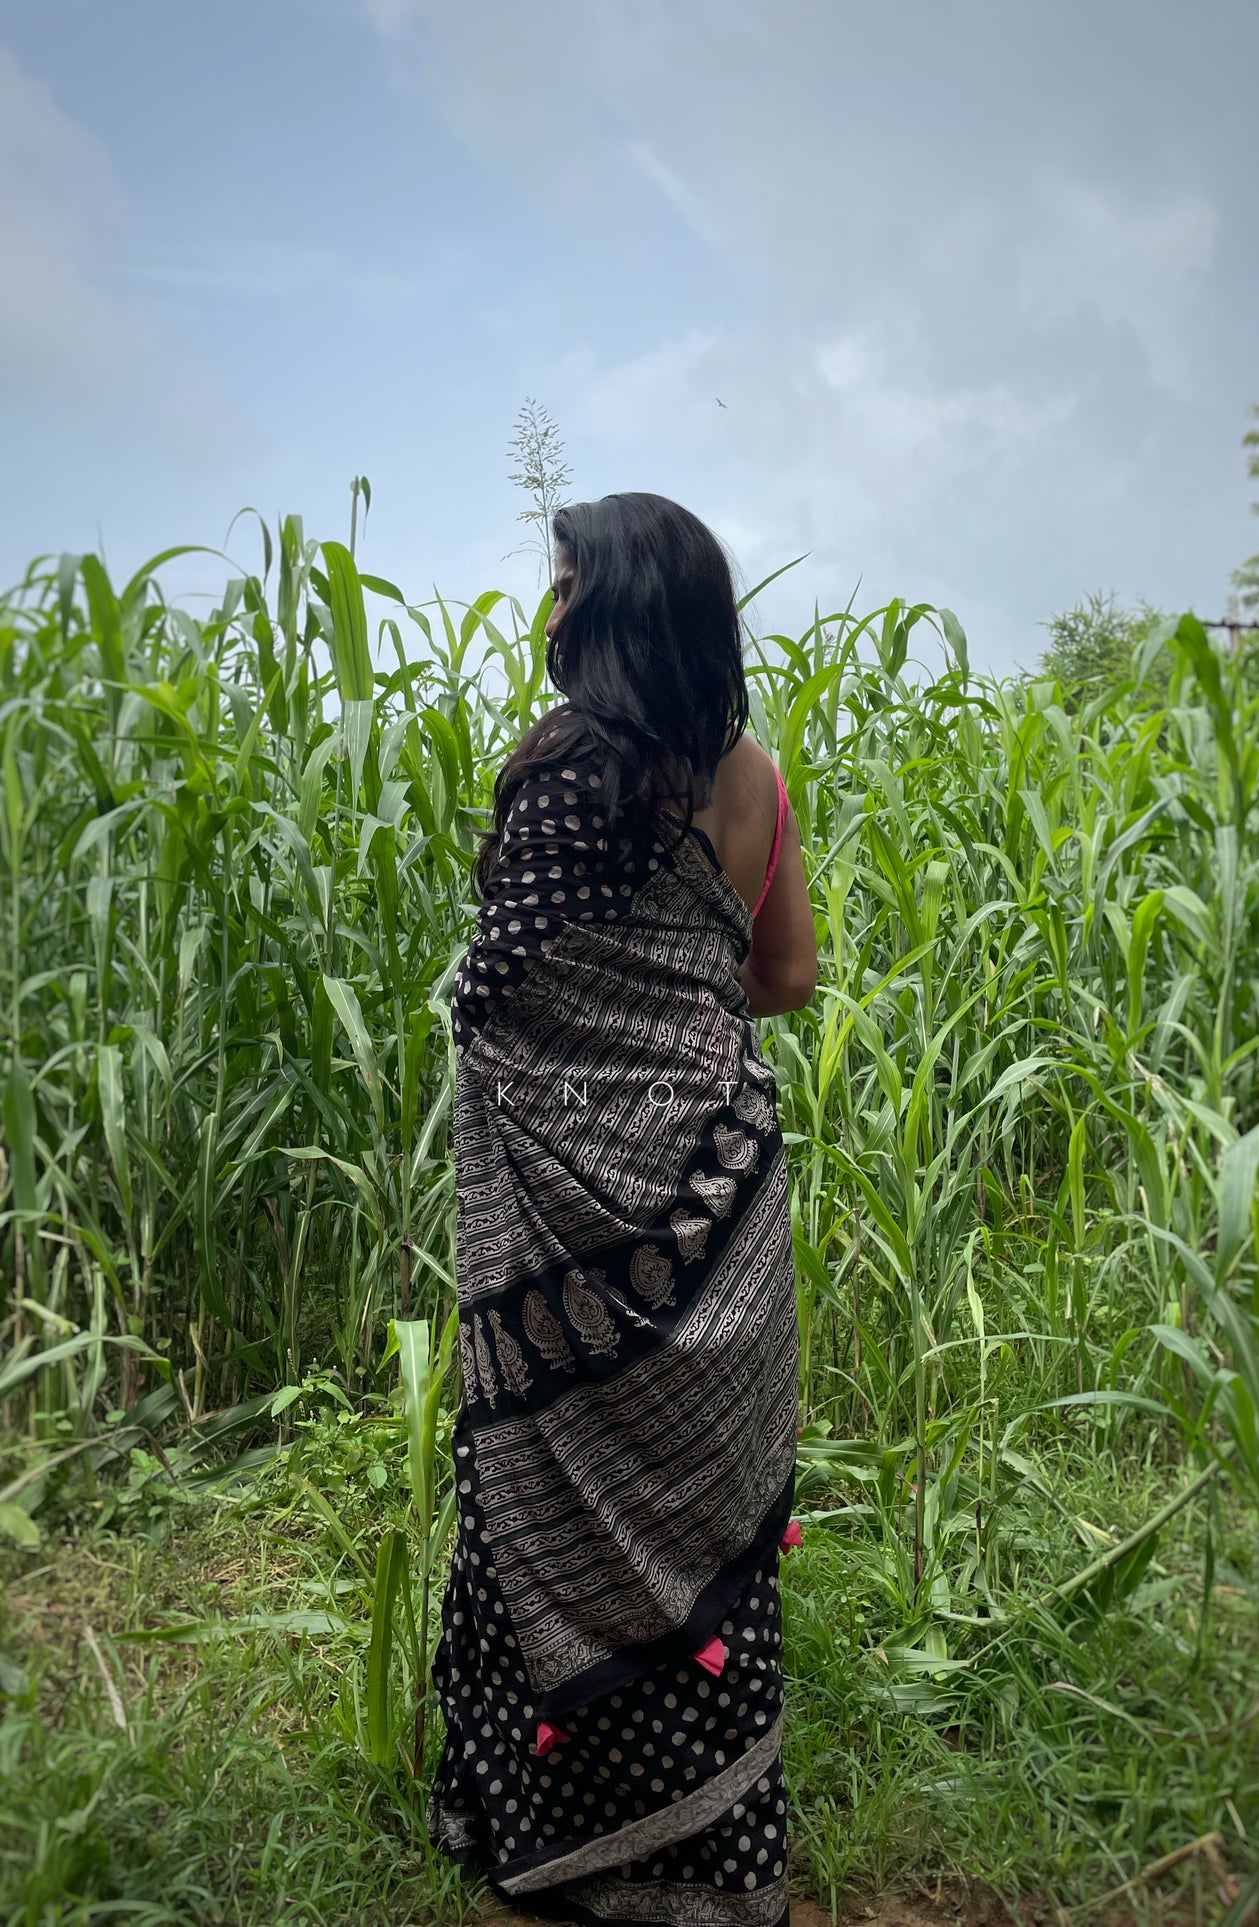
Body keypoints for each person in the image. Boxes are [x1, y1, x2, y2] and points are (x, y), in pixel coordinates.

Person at [427, 491, 818, 1927]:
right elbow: (783, 981)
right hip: (718, 1217)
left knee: (554, 1516)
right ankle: (706, 1869)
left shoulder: (562, 768)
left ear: (608, 612)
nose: (547, 612)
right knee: (693, 1537)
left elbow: (505, 996)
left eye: (566, 585)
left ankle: (564, 1851)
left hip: (577, 1264)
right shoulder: (753, 776)